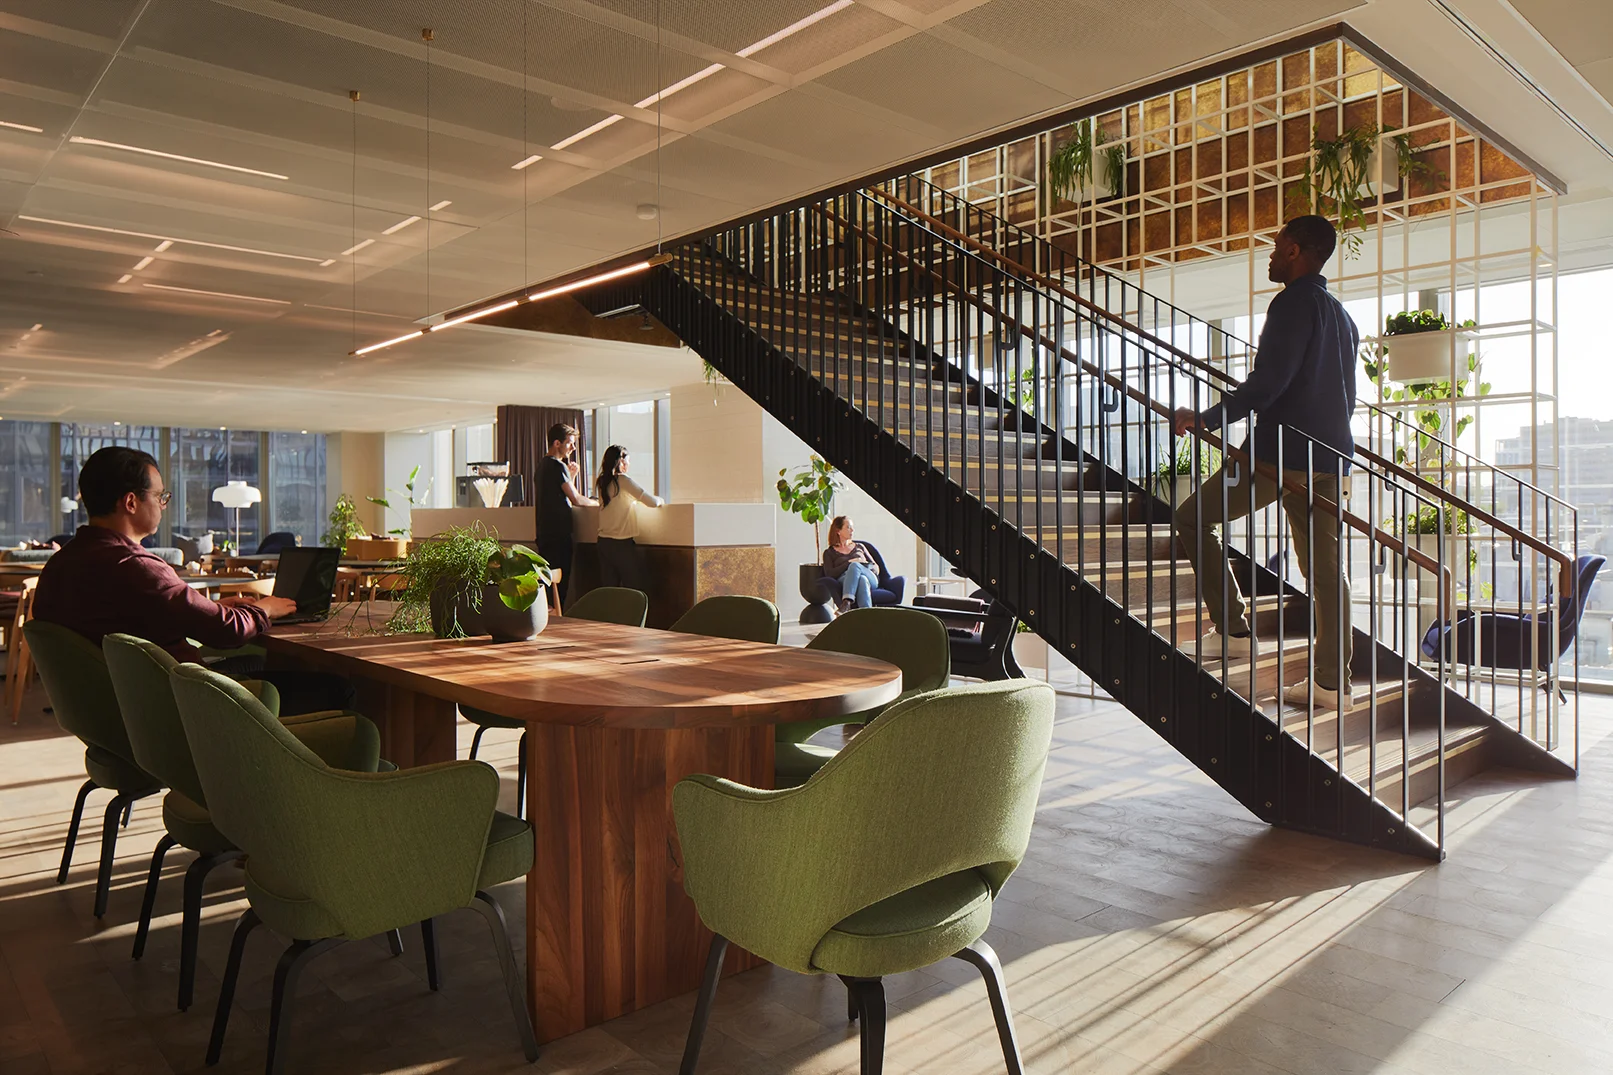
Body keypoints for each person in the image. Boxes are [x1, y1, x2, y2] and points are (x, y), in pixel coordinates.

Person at [1172, 214, 1358, 712]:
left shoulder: (1291, 303)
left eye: (1277, 248)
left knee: (1191, 516)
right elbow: (1348, 398)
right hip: (1333, 459)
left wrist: (1206, 418)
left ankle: (1232, 628)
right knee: (1325, 573)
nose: (1272, 257)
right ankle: (1331, 684)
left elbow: (1267, 383)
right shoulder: (1342, 316)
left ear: (1297, 250)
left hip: (1277, 458)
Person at [32, 446, 352, 714]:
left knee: (254, 662)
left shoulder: (61, 565)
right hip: (180, 709)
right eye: (160, 496)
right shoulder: (134, 566)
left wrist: (206, 605)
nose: (162, 504)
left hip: (122, 714)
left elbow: (143, 613)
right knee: (339, 687)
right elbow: (227, 631)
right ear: (131, 502)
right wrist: (265, 609)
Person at [537, 423, 596, 605]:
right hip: (559, 534)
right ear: (557, 443)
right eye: (570, 443)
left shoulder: (541, 466)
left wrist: (571, 477)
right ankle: (557, 621)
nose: (573, 447)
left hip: (544, 533)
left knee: (547, 584)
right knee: (560, 586)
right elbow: (576, 499)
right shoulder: (557, 466)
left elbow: (558, 494)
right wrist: (597, 503)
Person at [594, 445, 664, 591]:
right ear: (622, 461)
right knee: (634, 588)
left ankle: (609, 614)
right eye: (628, 461)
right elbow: (652, 502)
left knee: (609, 590)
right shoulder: (623, 480)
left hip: (603, 542)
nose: (629, 465)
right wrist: (661, 500)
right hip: (621, 544)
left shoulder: (602, 482)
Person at [822, 516, 879, 614]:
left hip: (869, 577)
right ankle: (868, 618)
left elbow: (876, 568)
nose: (852, 530)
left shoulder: (860, 546)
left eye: (852, 527)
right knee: (861, 580)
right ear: (838, 531)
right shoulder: (829, 553)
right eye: (848, 527)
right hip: (845, 579)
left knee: (856, 567)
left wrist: (862, 564)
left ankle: (847, 602)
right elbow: (830, 573)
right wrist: (848, 563)